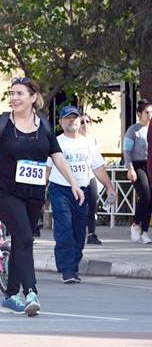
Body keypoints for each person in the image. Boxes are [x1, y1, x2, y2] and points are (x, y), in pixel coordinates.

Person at [0, 77, 83, 316]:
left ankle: (11, 296)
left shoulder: (43, 125)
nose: (14, 98)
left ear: (33, 97)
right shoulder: (2, 123)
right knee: (25, 237)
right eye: (12, 93)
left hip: (33, 193)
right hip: (4, 191)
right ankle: (31, 291)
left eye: (20, 93)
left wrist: (74, 183)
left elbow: (57, 156)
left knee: (21, 241)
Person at [46, 106, 116, 283]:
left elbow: (97, 167)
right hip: (60, 190)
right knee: (64, 228)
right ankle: (66, 269)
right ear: (61, 122)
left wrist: (109, 186)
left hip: (82, 192)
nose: (72, 121)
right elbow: (47, 169)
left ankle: (74, 266)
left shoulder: (88, 142)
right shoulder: (55, 142)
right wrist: (40, 192)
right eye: (68, 118)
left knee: (79, 230)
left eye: (75, 117)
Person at [123, 101, 152, 244]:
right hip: (137, 165)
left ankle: (145, 231)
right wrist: (130, 169)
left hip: (150, 165)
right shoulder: (133, 130)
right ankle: (136, 224)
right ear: (140, 113)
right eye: (147, 112)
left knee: (151, 198)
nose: (150, 115)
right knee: (145, 194)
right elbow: (126, 151)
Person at [77, 114, 103, 245]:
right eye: (82, 122)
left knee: (93, 204)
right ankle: (77, 232)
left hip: (91, 175)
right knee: (79, 206)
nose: (85, 124)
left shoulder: (93, 140)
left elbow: (98, 162)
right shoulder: (74, 139)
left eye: (88, 121)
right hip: (76, 178)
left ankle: (92, 233)